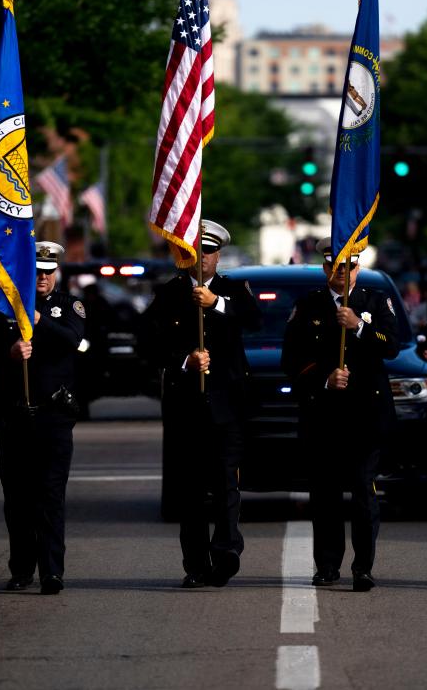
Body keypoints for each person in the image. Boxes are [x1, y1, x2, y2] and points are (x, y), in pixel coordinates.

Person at [281, 238, 399, 592]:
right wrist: (325, 379)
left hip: (365, 417)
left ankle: (362, 567)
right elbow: (291, 361)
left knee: (364, 490)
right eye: (334, 267)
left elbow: (391, 346)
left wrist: (358, 327)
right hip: (324, 416)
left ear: (357, 269)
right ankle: (327, 566)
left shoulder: (375, 303)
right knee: (326, 494)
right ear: (325, 269)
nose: (341, 273)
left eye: (348, 267)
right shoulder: (309, 306)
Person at [147, 221, 260, 589]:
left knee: (226, 481)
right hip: (187, 408)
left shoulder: (232, 290)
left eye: (209, 252)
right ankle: (195, 563)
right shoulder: (169, 294)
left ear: (218, 255)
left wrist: (218, 304)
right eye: (197, 252)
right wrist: (184, 361)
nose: (203, 259)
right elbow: (146, 344)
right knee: (191, 490)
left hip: (227, 406)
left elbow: (255, 320)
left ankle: (226, 549)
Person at [0, 241, 85, 595]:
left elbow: (73, 340)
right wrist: (8, 352)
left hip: (53, 415)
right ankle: (21, 568)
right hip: (14, 416)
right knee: (17, 497)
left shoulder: (69, 307)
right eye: (38, 271)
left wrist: (39, 321)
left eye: (49, 271)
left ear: (56, 273)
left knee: (51, 495)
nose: (44, 277)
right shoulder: (2, 305)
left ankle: (52, 571)